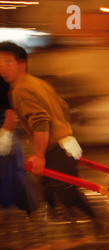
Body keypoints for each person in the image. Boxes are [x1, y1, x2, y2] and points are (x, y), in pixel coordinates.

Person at [0, 41, 100, 227]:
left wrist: (39, 155)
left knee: (68, 192)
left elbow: (40, 121)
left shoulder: (21, 90)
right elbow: (62, 107)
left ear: (22, 64)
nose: (2, 67)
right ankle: (63, 222)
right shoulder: (37, 82)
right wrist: (63, 129)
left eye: (7, 62)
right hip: (66, 142)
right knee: (49, 187)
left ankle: (98, 222)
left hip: (56, 148)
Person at [0, 76, 40, 215]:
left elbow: (10, 109)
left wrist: (6, 132)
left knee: (13, 172)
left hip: (5, 131)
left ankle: (28, 206)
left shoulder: (3, 81)